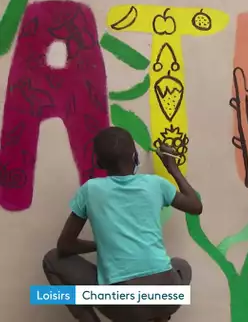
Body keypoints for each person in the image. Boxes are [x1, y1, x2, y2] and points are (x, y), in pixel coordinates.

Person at [42, 126, 203, 322]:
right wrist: (172, 169)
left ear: (99, 162)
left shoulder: (90, 190)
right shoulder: (155, 184)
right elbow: (195, 206)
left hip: (122, 305)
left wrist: (102, 244)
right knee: (181, 266)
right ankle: (157, 316)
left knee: (52, 259)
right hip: (166, 296)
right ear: (135, 156)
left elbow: (65, 246)